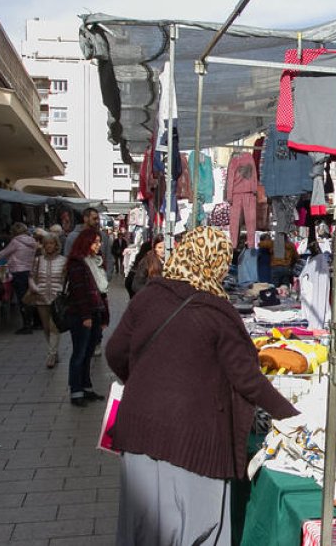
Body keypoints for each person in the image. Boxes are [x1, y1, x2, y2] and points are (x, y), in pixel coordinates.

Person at [106, 227, 299, 545]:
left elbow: (115, 352)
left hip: (138, 431)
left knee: (142, 532)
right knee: (196, 529)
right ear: (216, 264)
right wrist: (293, 416)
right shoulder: (216, 313)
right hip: (195, 441)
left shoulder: (149, 296)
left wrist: (146, 384)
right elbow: (248, 379)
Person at [64, 228, 107, 406]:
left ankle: (86, 388)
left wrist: (104, 317)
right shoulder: (77, 263)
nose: (98, 245)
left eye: (99, 241)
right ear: (86, 242)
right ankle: (76, 392)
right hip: (81, 315)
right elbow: (79, 292)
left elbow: (101, 292)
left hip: (95, 312)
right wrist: (85, 316)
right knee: (79, 354)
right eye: (95, 242)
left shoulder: (95, 261)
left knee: (88, 353)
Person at [28, 234, 67, 369]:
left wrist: (63, 292)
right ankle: (54, 351)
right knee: (46, 328)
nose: (49, 246)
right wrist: (36, 288)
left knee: (54, 327)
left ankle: (51, 354)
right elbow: (31, 277)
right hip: (41, 298)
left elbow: (66, 279)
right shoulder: (38, 260)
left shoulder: (63, 261)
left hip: (57, 299)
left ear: (56, 245)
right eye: (47, 243)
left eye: (52, 243)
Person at [0, 223, 39, 334]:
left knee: (22, 299)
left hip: (18, 272)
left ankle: (26, 325)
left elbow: (2, 254)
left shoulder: (15, 241)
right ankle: (36, 322)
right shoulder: (32, 241)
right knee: (31, 298)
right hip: (30, 272)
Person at [65, 208, 114, 281]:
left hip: (99, 280)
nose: (97, 221)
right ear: (85, 218)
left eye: (98, 219)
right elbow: (67, 258)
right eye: (94, 219)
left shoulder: (103, 236)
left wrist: (107, 277)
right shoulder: (73, 237)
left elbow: (108, 257)